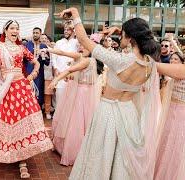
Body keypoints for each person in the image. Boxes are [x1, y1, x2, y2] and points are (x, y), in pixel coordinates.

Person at [59, 8, 162, 179]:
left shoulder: (119, 60)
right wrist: (117, 29)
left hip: (108, 113)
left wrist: (76, 15)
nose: (119, 37)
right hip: (129, 114)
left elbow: (84, 40)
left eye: (123, 34)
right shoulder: (150, 65)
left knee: (100, 155)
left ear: (130, 39)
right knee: (122, 159)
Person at [0, 20, 53, 179]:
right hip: (5, 90)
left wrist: (32, 76)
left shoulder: (22, 48)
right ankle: (9, 151)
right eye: (12, 28)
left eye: (17, 28)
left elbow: (36, 63)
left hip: (21, 87)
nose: (15, 31)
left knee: (24, 123)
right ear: (6, 31)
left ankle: (23, 161)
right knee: (8, 121)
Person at [45, 42, 99, 166]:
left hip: (83, 94)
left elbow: (70, 70)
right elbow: (63, 53)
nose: (81, 48)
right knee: (69, 118)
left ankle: (75, 151)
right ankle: (63, 146)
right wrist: (50, 50)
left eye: (84, 46)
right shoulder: (80, 57)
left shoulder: (89, 61)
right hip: (76, 91)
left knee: (78, 121)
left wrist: (56, 79)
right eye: (80, 46)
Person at [154, 52, 185, 180]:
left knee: (175, 146)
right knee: (166, 143)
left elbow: (155, 66)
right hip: (171, 110)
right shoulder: (180, 68)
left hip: (180, 114)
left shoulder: (181, 69)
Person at [52, 21, 79, 107]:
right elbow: (53, 56)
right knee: (59, 99)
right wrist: (55, 68)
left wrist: (74, 26)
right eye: (65, 30)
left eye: (68, 30)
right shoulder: (59, 42)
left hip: (72, 75)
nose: (66, 31)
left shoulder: (77, 43)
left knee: (71, 101)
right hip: (60, 74)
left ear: (73, 31)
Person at [24, 27, 50, 108]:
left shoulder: (43, 46)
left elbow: (47, 63)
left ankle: (38, 111)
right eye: (34, 33)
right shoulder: (27, 45)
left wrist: (45, 57)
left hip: (39, 74)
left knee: (39, 91)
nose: (35, 34)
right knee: (27, 92)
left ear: (40, 34)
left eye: (37, 33)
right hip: (28, 72)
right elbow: (23, 60)